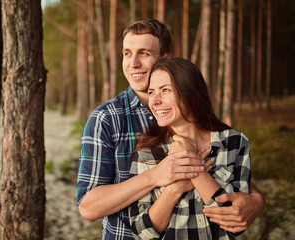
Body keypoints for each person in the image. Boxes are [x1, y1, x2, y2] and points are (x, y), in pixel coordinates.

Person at [76, 18, 264, 240]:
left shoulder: (193, 117)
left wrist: (257, 201)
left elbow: (231, 173)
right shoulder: (106, 119)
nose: (133, 63)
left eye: (144, 53)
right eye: (127, 53)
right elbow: (88, 208)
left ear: (165, 59)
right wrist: (161, 175)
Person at [128, 57, 251, 239]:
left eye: (166, 90)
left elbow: (235, 223)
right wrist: (175, 188)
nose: (155, 101)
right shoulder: (147, 151)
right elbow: (142, 232)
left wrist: (192, 165)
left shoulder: (234, 142)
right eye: (152, 92)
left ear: (190, 92)